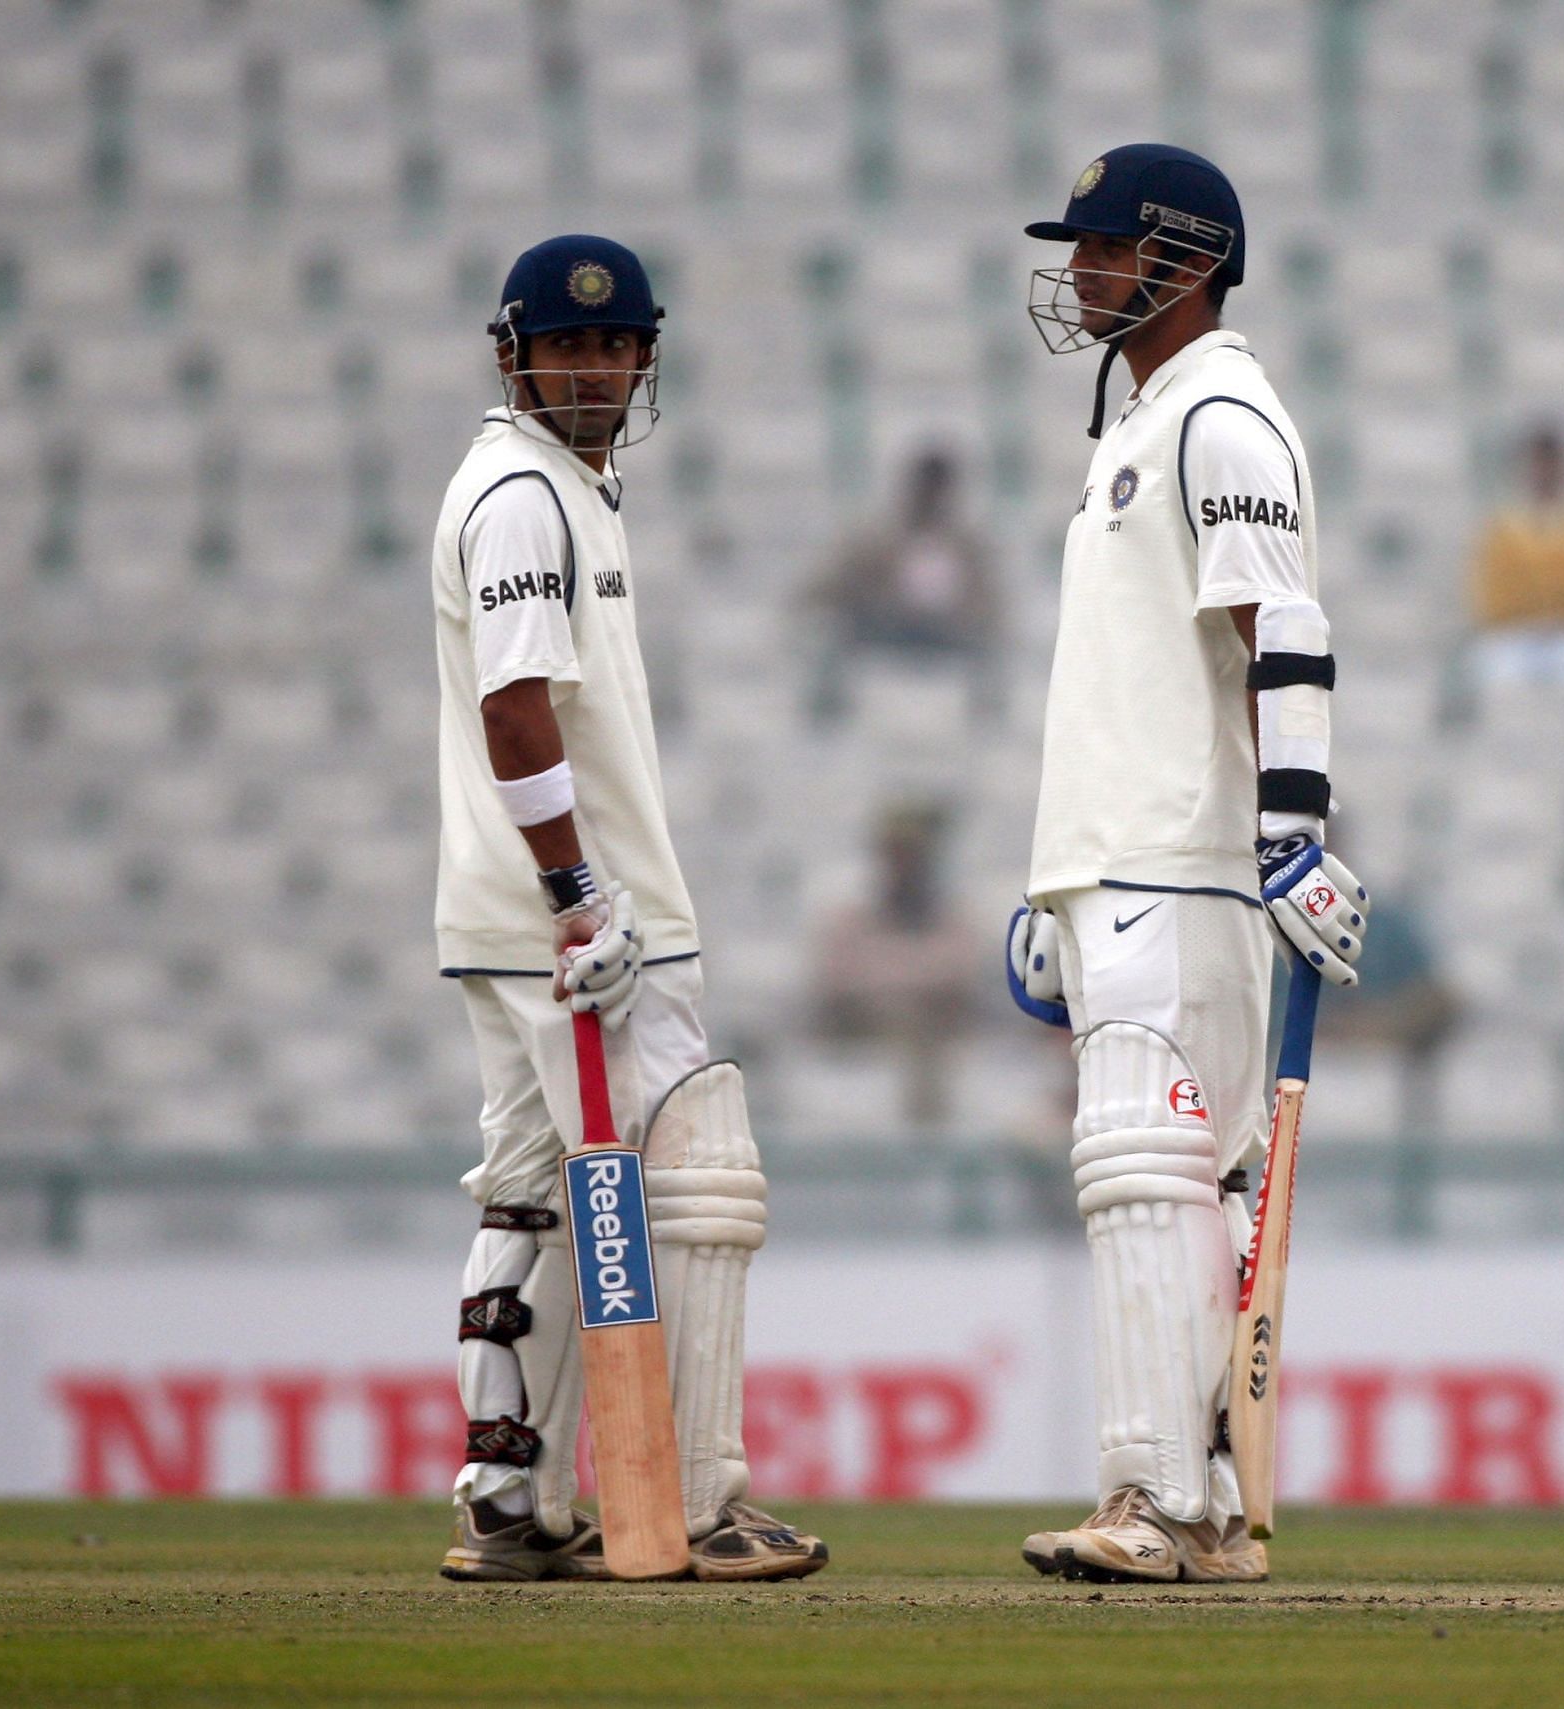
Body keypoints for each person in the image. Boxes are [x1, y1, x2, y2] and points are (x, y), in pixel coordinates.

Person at [428, 234, 825, 1582]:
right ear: (513, 355)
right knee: (702, 1179)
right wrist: (580, 893)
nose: (593, 368)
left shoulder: (563, 490)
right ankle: (702, 1500)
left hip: (524, 915)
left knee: (532, 1195)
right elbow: (514, 707)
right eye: (566, 346)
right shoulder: (522, 497)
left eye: (614, 345)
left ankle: (506, 1501)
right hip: (576, 924)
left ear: (644, 356)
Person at [1005, 145, 1370, 1583]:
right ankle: (1198, 1504)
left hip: (1189, 863)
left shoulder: (1224, 411)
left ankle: (1159, 1501)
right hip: (1123, 861)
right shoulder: (1144, 423)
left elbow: (1283, 627)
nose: (1081, 271)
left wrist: (1291, 830)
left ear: (1185, 260)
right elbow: (1129, 682)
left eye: (1103, 246)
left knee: (1151, 1172)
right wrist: (1056, 880)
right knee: (1165, 1178)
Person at [813, 800, 979, 1127]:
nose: (906, 867)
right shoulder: (848, 923)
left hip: (933, 1039)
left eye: (914, 855)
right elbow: (839, 989)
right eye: (897, 855)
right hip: (861, 1034)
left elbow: (958, 985)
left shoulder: (955, 922)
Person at [808, 447, 999, 722]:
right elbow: (827, 589)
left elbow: (987, 607)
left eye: (937, 491)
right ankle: (833, 715)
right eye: (925, 489)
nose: (931, 498)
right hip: (886, 629)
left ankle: (983, 719)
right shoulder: (874, 541)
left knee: (988, 653)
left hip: (947, 635)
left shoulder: (969, 549)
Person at [1467, 422, 1564, 692]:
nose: (1544, 472)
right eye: (1537, 464)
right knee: (1487, 673)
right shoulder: (1501, 527)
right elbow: (1493, 591)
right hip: (1513, 635)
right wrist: (1532, 612)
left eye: (1551, 464)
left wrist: (1558, 612)